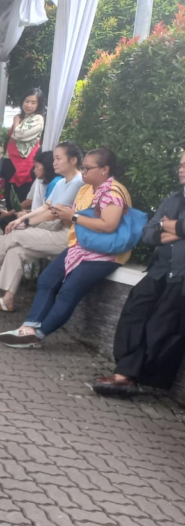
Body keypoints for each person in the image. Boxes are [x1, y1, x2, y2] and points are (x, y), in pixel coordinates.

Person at [0, 148, 132, 348]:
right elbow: (67, 217)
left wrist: (73, 217)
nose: (83, 171)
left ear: (104, 169)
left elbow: (108, 225)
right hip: (82, 247)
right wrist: (53, 216)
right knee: (47, 280)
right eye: (83, 167)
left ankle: (38, 335)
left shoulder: (113, 192)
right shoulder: (86, 189)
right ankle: (29, 327)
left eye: (87, 168)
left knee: (69, 290)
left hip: (105, 253)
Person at [94, 154, 185, 397]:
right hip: (160, 268)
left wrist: (168, 225)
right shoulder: (173, 198)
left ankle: (132, 377)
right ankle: (124, 374)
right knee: (134, 311)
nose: (181, 169)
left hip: (181, 274)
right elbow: (148, 233)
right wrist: (173, 228)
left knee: (162, 325)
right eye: (180, 164)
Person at [0, 142, 84, 313]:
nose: (54, 163)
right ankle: (7, 299)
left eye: (58, 158)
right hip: (55, 230)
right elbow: (46, 206)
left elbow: (54, 213)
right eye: (54, 159)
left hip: (68, 235)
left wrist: (25, 222)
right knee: (16, 251)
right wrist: (24, 218)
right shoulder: (63, 182)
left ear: (73, 160)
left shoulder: (77, 182)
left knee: (15, 234)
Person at [7, 89, 46, 199]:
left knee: (20, 197)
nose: (29, 105)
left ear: (39, 105)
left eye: (33, 103)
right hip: (11, 162)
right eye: (27, 101)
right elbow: (9, 140)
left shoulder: (38, 118)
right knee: (9, 198)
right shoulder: (23, 118)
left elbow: (19, 134)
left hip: (25, 163)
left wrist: (16, 121)